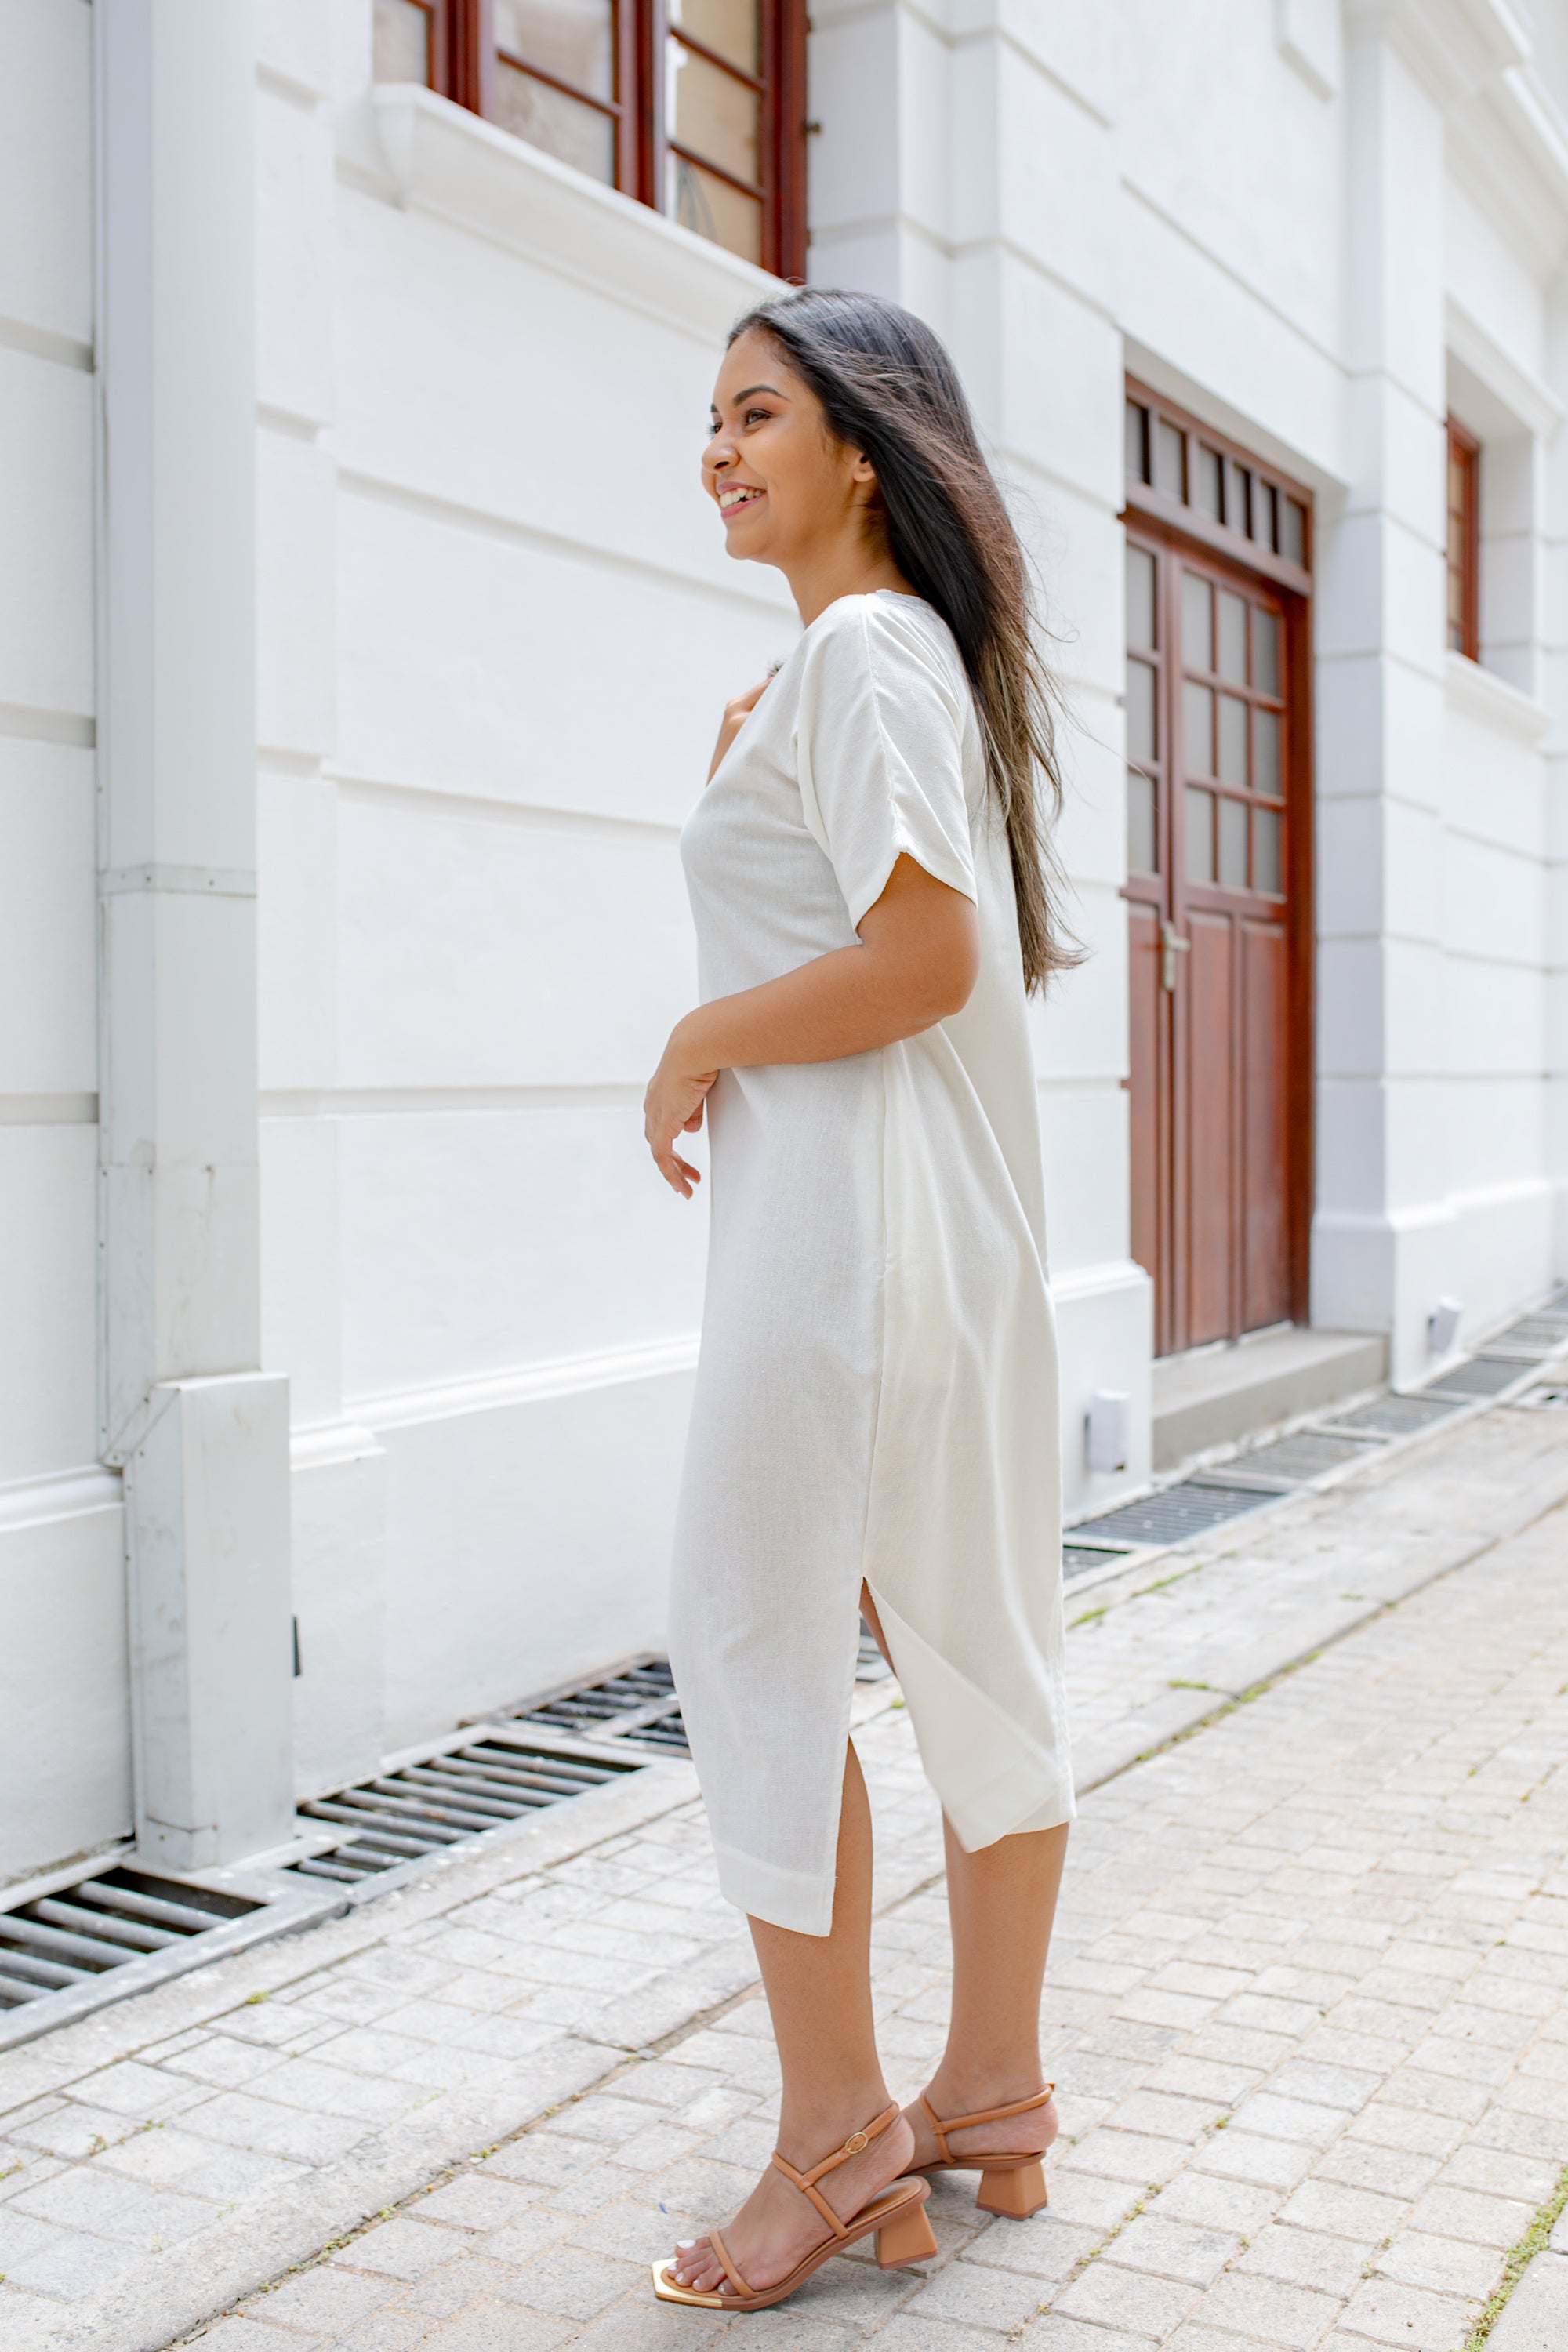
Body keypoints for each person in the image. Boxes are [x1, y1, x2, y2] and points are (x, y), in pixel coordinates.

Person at [642, 288, 1076, 2316]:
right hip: (944, 1245)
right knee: (972, 1644)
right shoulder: (871, 667)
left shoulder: (859, 651)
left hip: (848, 1258)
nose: (717, 450)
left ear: (859, 442)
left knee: (757, 1643)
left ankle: (837, 2141)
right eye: (710, 420)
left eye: (753, 413)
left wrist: (699, 1037)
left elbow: (919, 957)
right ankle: (985, 2097)